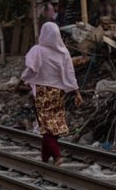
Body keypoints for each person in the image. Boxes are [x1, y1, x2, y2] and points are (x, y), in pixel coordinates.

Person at [22, 22, 84, 166]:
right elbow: (70, 74)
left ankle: (57, 157)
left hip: (43, 93)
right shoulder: (64, 52)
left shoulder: (37, 50)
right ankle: (45, 160)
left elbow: (30, 70)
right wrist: (77, 93)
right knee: (53, 126)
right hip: (58, 94)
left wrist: (20, 82)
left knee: (45, 127)